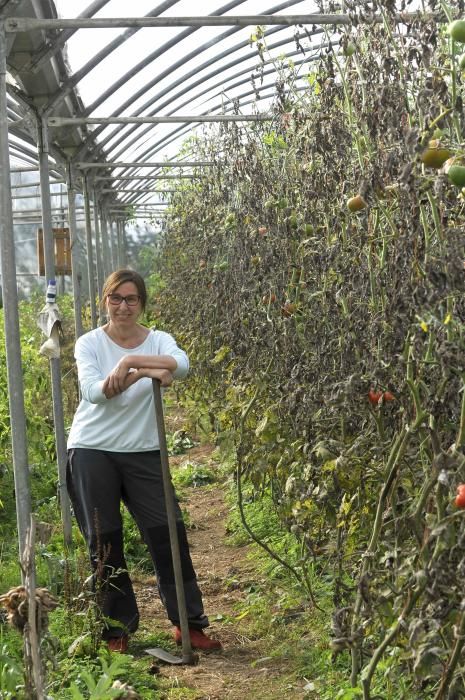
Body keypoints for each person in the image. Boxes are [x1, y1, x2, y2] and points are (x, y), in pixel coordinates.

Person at [66, 268, 222, 653]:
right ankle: (116, 630)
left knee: (167, 533)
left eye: (131, 299)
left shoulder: (159, 339)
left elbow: (181, 366)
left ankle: (189, 624)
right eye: (115, 298)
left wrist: (129, 362)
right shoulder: (89, 343)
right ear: (105, 301)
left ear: (141, 303)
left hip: (144, 450)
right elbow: (94, 392)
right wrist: (143, 373)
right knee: (104, 541)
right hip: (92, 449)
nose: (123, 306)